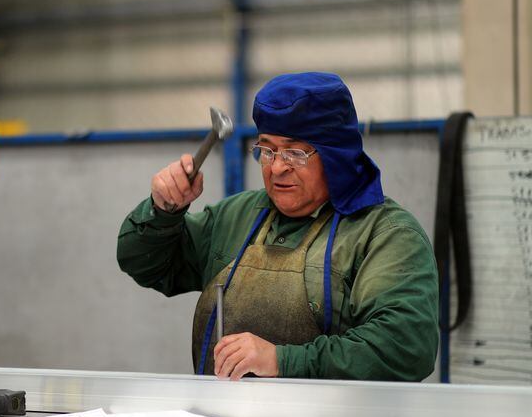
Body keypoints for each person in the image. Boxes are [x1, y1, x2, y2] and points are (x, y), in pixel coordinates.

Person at [117, 72, 438, 381]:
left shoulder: (385, 235)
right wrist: (163, 211)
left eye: (295, 152)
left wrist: (283, 361)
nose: (278, 167)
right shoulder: (237, 215)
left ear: (336, 155)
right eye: (266, 150)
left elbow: (404, 347)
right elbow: (146, 265)